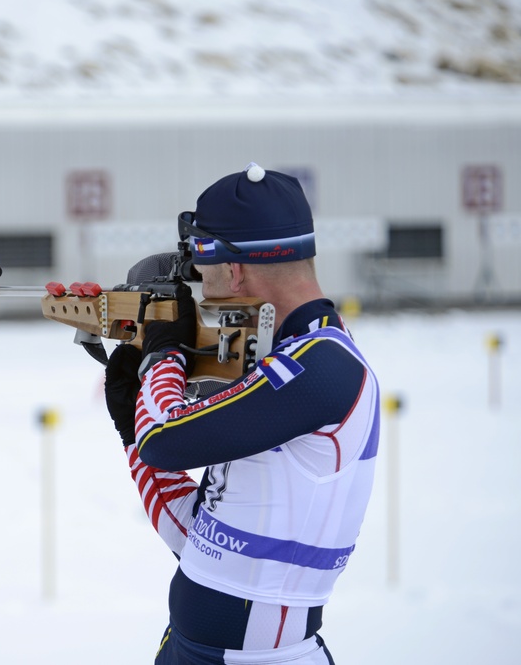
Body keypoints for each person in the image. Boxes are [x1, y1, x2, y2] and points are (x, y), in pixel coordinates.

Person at [104, 163, 380, 665]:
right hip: (190, 649)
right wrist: (130, 429)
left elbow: (165, 438)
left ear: (233, 271)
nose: (204, 296)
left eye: (204, 278)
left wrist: (162, 357)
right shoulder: (273, 368)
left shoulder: (322, 368)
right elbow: (202, 543)